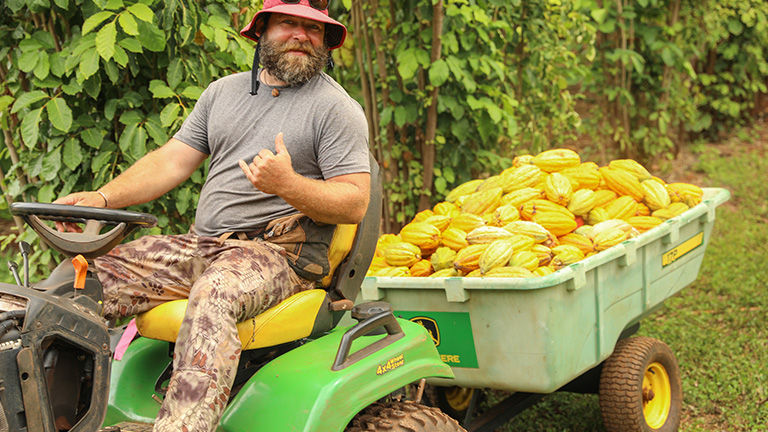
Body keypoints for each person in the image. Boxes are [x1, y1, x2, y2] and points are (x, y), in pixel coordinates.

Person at [54, 1, 371, 431]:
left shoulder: (336, 108)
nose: (301, 35)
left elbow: (354, 201)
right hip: (204, 246)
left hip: (278, 255)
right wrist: (103, 197)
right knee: (76, 284)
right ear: (261, 31)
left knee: (213, 294)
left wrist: (287, 184)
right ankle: (53, 415)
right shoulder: (222, 93)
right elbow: (171, 162)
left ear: (328, 39)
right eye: (288, 23)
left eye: (313, 29)